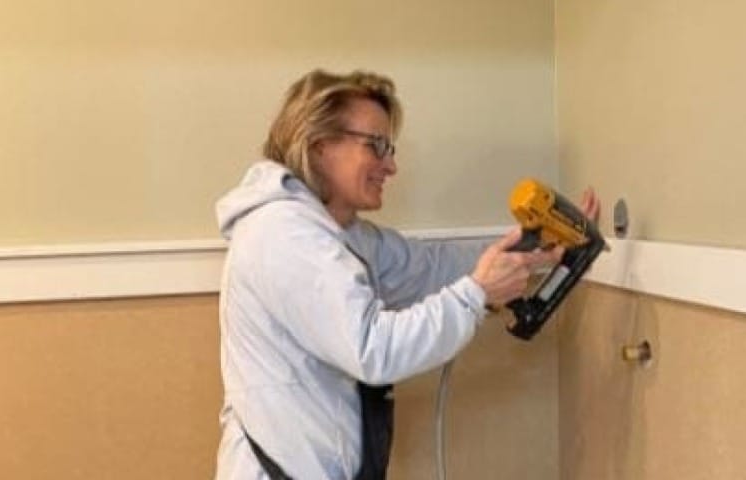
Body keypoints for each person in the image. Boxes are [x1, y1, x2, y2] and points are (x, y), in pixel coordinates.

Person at [214, 69, 599, 479]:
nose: (391, 165)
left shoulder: (343, 235)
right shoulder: (284, 235)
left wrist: (535, 246)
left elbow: (428, 267)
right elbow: (373, 350)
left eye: (389, 147)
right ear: (319, 144)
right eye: (376, 146)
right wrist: (476, 294)